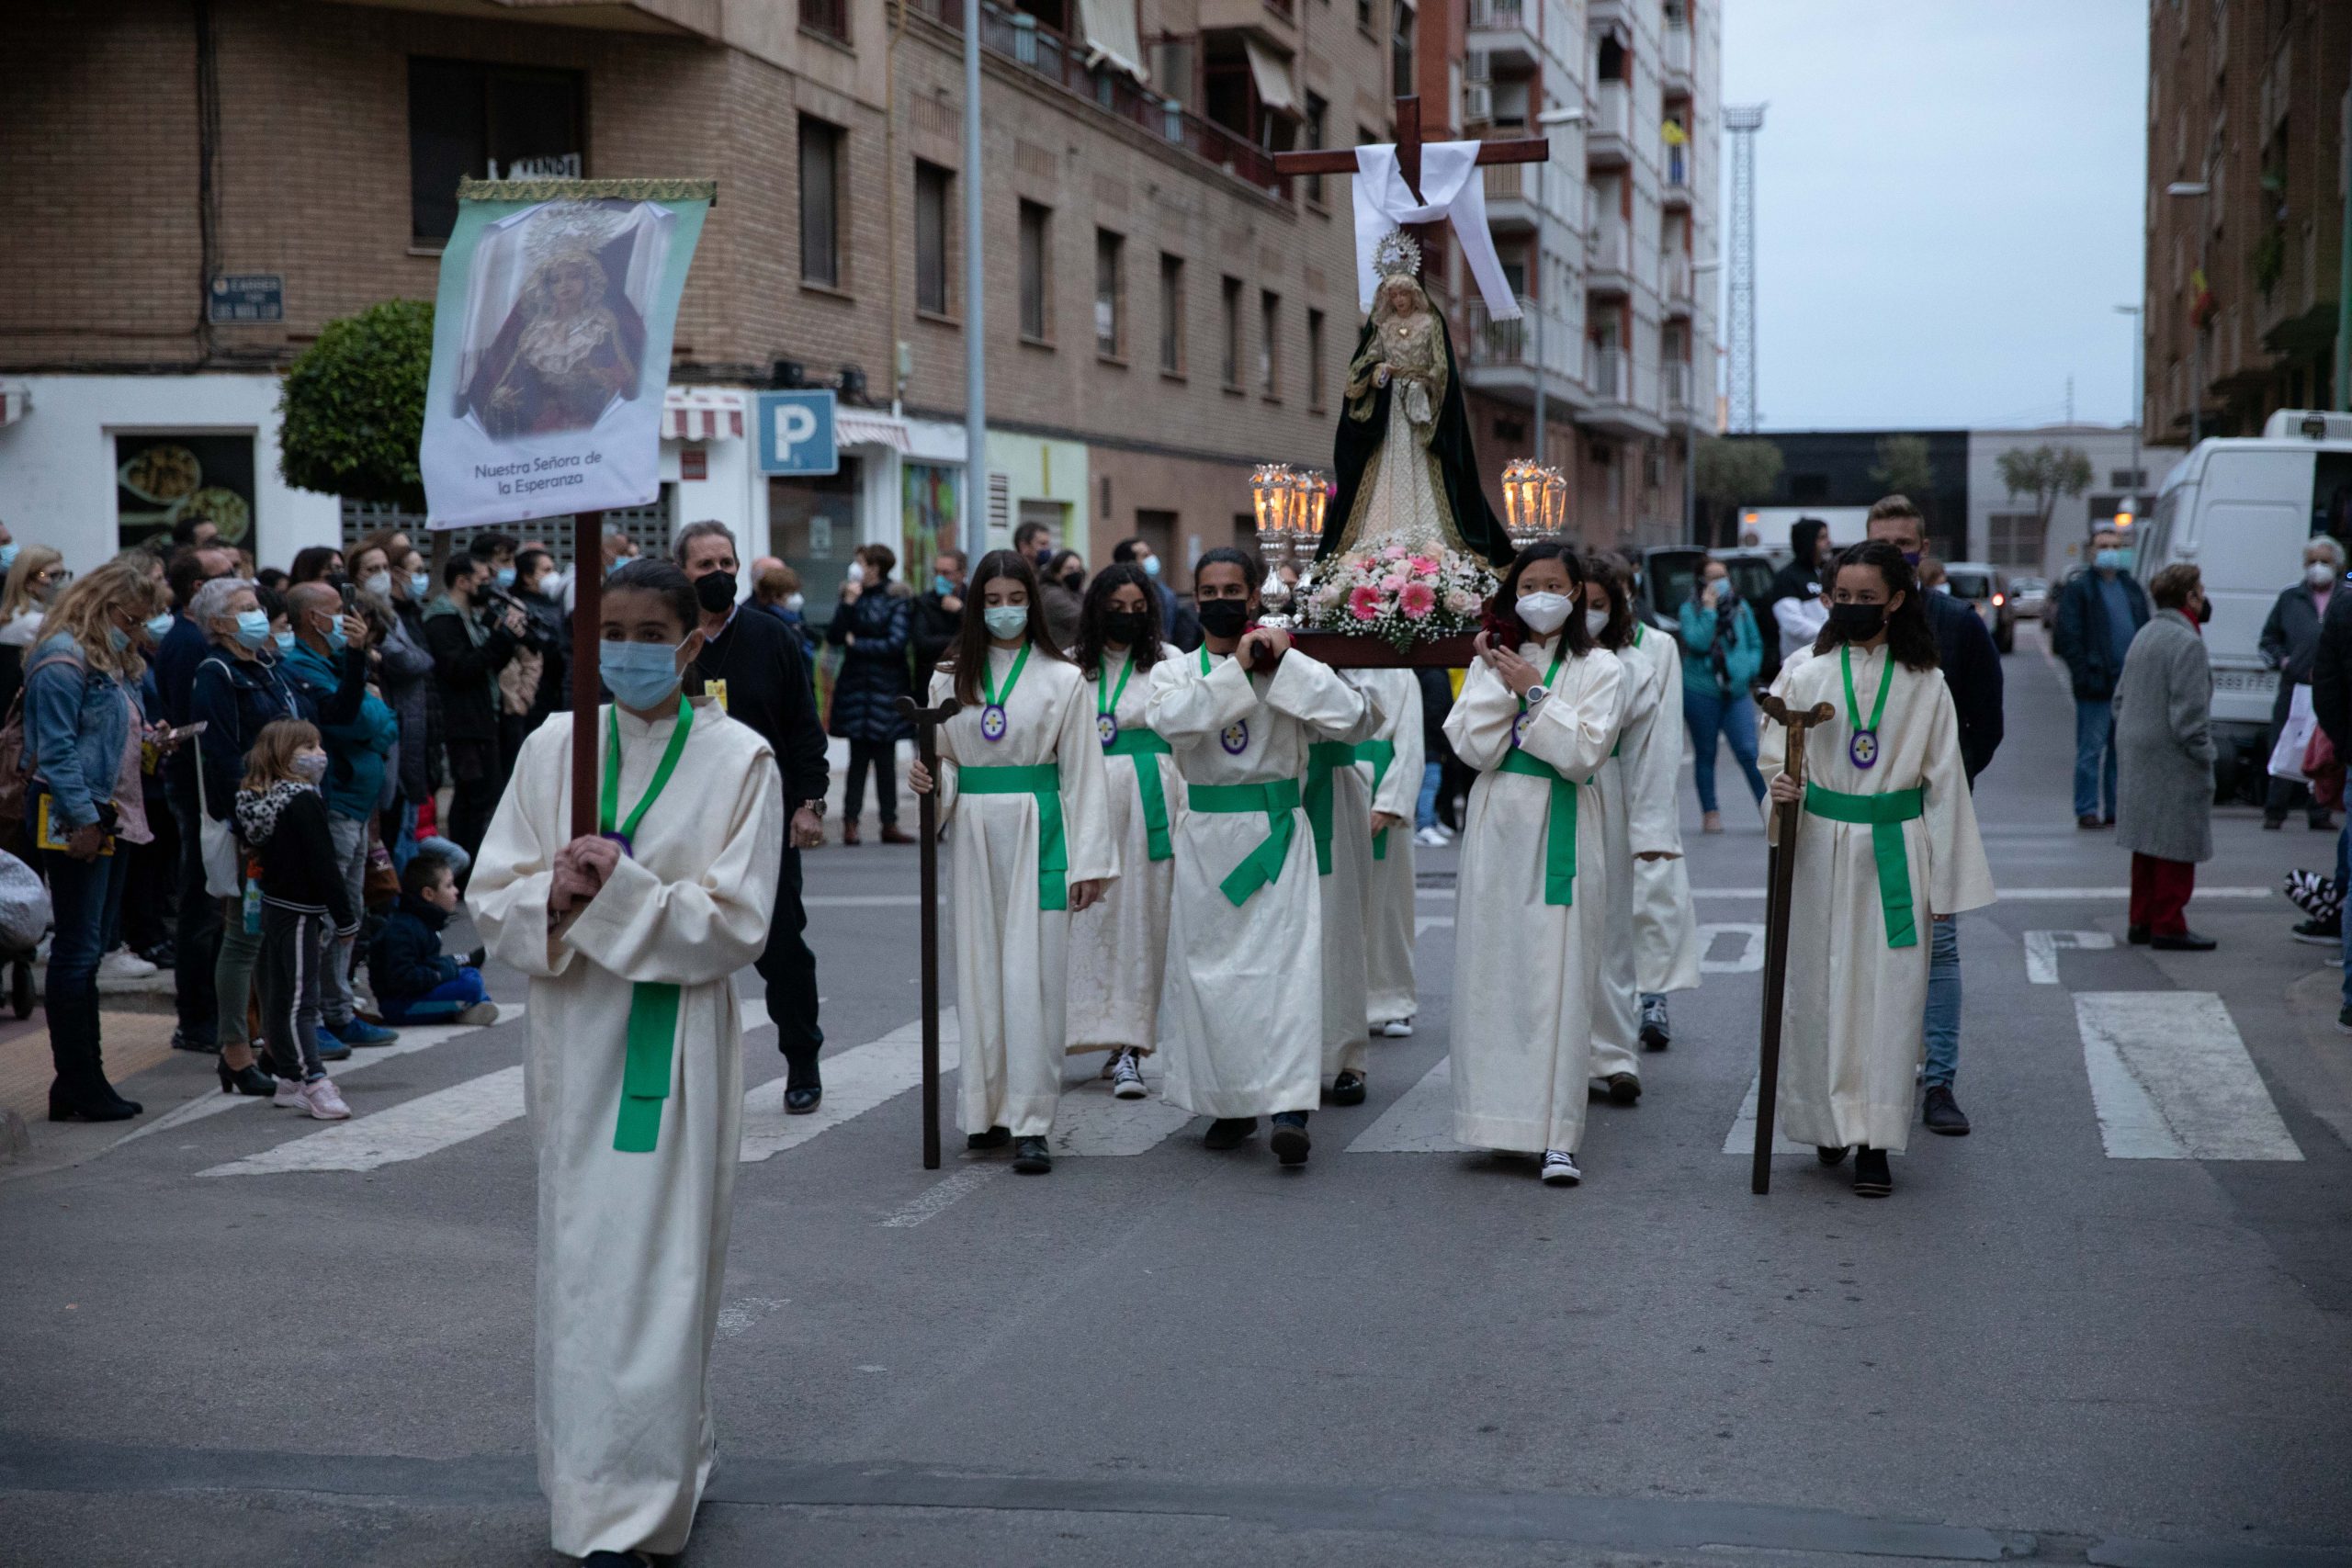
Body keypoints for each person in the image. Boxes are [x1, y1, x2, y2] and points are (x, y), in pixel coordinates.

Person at [468, 558, 783, 1567]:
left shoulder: (741, 759)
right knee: (583, 1261)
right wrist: (553, 895)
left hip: (673, 1036)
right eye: (615, 632)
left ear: (694, 642)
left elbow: (737, 923)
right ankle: (591, 1484)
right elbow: (491, 890)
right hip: (574, 1026)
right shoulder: (555, 745)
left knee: (662, 1263)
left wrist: (624, 887)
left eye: (656, 633)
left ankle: (650, 1498)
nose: (633, 651)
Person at [1760, 541, 1994, 1199]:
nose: (1854, 607)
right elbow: (1774, 752)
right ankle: (1827, 1121)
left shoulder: (1926, 682)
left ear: (1896, 600)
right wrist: (1780, 790)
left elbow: (1945, 781)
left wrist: (1947, 881)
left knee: (1889, 997)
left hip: (1895, 845)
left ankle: (1874, 1138)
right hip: (1820, 848)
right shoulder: (1805, 674)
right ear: (1827, 597)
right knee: (1821, 986)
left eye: (1869, 597)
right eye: (1843, 596)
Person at [1146, 547, 1374, 1167]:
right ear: (1194, 601)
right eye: (1207, 589)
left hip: (1278, 835)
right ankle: (1231, 1101)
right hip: (1206, 840)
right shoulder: (1176, 670)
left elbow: (1354, 720)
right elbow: (1174, 721)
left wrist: (1285, 664)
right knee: (1212, 976)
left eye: (1232, 588)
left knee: (1286, 972)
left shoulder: (1288, 667)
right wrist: (1239, 673)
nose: (1220, 598)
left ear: (1254, 597)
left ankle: (1291, 1106)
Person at [909, 551, 1114, 1173]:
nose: (1004, 610)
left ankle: (1031, 1119)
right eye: (992, 598)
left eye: (1014, 597)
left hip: (1039, 830)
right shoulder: (949, 679)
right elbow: (942, 759)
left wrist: (1090, 861)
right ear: (977, 605)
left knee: (1035, 978)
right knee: (978, 973)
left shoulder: (1063, 679)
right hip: (972, 831)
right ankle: (984, 1111)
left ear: (1032, 601)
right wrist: (928, 777)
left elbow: (1082, 773)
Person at [1444, 543, 1623, 1184]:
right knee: (1495, 969)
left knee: (1562, 972)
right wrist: (1497, 676)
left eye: (1554, 582)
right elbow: (1471, 745)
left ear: (1576, 592)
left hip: (1564, 821)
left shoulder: (1602, 667)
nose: (1541, 592)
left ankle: (1557, 1133)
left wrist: (1535, 691)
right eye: (1529, 583)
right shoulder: (1492, 658)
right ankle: (1496, 1118)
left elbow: (1583, 753)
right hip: (1500, 820)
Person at [675, 521, 832, 1114]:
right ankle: (681, 1071)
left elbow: (803, 730)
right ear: (682, 572)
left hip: (763, 820)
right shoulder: (669, 644)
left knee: (781, 945)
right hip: (686, 821)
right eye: (704, 565)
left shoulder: (773, 638)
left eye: (727, 562)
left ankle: (802, 1059)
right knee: (682, 942)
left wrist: (810, 804)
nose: (718, 574)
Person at [1865, 495, 2004, 1136]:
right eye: (1881, 542)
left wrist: (1949, 776)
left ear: (1923, 548)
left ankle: (1940, 1079)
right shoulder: (1848, 623)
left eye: (1905, 543)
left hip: (1935, 811)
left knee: (1939, 944)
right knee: (1864, 941)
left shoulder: (1959, 623)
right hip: (1861, 818)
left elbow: (1986, 721)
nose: (1895, 553)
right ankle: (1870, 1071)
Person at [23, 559, 171, 1121]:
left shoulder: (110, 660)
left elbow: (110, 735)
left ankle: (86, 1080)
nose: (136, 632)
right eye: (131, 619)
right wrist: (83, 819)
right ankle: (77, 1081)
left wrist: (153, 740)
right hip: (78, 815)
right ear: (104, 605)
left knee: (89, 950)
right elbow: (55, 751)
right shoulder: (61, 658)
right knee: (78, 951)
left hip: (112, 813)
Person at [1063, 564, 1182, 1098]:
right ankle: (1094, 1032)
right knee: (1092, 925)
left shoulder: (1170, 663)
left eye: (1139, 608)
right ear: (1096, 609)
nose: (1128, 617)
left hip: (1150, 802)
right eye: (1118, 608)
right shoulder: (1070, 670)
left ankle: (1132, 1047)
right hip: (1088, 804)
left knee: (1144, 921)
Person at [188, 576, 303, 1087]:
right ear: (217, 624)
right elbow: (221, 757)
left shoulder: (269, 668)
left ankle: (276, 1043)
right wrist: (249, 821)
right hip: (252, 823)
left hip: (289, 815)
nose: (259, 614)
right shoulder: (216, 673)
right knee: (243, 935)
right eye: (245, 608)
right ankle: (234, 1050)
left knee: (277, 936)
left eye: (257, 605)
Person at [277, 581, 399, 1047]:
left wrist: (374, 711)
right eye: (336, 610)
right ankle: (315, 1019)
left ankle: (340, 1011)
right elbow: (357, 721)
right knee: (329, 918)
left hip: (357, 807)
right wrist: (372, 708)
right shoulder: (304, 666)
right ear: (313, 618)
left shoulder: (336, 662)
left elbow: (384, 724)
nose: (347, 617)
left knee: (351, 914)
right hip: (336, 806)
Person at [1577, 555, 1669, 1105]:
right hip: (1543, 795)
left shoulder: (1633, 666)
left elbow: (1649, 756)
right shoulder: (1539, 660)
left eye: (1598, 605)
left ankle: (1614, 1052)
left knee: (1610, 928)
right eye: (1578, 603)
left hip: (1604, 792)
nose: (1586, 614)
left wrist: (1650, 830)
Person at [234, 718, 357, 1120]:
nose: (319, 755)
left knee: (280, 994)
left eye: (319, 745)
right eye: (308, 747)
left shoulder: (257, 800)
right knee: (302, 1002)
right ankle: (314, 1081)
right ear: (284, 756)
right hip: (302, 911)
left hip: (273, 906)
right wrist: (345, 919)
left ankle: (288, 1076)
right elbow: (324, 866)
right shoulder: (303, 800)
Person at [155, 543, 236, 1052]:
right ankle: (197, 1016)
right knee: (201, 904)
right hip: (198, 791)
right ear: (198, 590)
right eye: (225, 576)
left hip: (205, 788)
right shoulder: (188, 644)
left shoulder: (198, 639)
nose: (237, 581)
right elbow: (194, 724)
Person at [2115, 564, 2219, 952]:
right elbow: (2190, 718)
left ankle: (2140, 920)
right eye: (2200, 590)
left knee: (2147, 845)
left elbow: (2120, 699)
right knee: (2176, 846)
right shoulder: (2187, 642)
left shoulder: (2146, 633)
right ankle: (2169, 924)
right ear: (2189, 598)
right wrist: (2207, 754)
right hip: (2173, 759)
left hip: (2138, 753)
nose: (2204, 598)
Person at [422, 554, 526, 865]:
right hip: (463, 724)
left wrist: (508, 637)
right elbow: (462, 668)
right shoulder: (443, 620)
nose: (489, 587)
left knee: (485, 795)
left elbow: (487, 665)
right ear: (462, 581)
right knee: (473, 796)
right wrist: (500, 638)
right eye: (483, 581)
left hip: (481, 718)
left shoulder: (469, 617)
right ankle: (467, 866)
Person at [2052, 527, 2150, 829]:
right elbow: (2067, 637)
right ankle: (2087, 809)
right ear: (2092, 551)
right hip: (2095, 685)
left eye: (2115, 545)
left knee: (2121, 752)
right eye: (2103, 545)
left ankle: (2116, 809)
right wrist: (2084, 673)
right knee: (2091, 751)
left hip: (2127, 684)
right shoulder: (2081, 589)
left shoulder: (2131, 588)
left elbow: (2144, 628)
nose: (2110, 550)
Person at [826, 542, 915, 845]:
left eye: (861, 562)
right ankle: (850, 822)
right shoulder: (852, 595)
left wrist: (857, 644)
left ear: (875, 567)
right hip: (855, 688)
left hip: (887, 689)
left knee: (886, 760)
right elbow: (835, 635)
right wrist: (848, 604)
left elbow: (895, 643)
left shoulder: (897, 599)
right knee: (858, 759)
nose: (857, 568)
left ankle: (889, 822)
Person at [1351, 667, 1423, 1039]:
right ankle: (1342, 999)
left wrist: (1389, 804)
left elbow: (1411, 744)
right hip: (1335, 782)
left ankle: (1392, 1000)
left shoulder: (1398, 674)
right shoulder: (1321, 665)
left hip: (1379, 785)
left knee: (1388, 904)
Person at [2258, 536, 2344, 829]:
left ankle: (2319, 810)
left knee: (2325, 748)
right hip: (2294, 687)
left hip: (2331, 689)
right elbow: (2268, 640)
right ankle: (2274, 810)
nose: (2318, 567)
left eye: (2325, 561)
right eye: (2312, 561)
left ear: (2337, 565)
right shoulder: (2290, 598)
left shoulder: (2344, 597)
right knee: (2284, 744)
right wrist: (2287, 663)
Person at [1678, 557, 1767, 831]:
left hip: (1737, 691)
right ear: (1701, 582)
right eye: (1714, 577)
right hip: (1701, 690)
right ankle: (1710, 812)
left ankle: (1768, 809)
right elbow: (1698, 642)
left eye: (1723, 575)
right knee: (1706, 753)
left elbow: (1755, 643)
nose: (1721, 582)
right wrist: (1708, 610)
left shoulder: (1741, 608)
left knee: (1749, 752)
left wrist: (1747, 668)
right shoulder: (1689, 610)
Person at [368, 851, 498, 1025]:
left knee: (470, 974)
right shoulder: (403, 930)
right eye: (449, 885)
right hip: (400, 1007)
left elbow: (426, 965)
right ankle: (467, 1008)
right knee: (470, 985)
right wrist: (442, 973)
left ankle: (471, 1007)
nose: (456, 891)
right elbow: (403, 978)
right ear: (428, 894)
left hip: (414, 996)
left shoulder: (422, 922)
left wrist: (442, 969)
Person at [1765, 518, 1833, 673]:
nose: (1829, 542)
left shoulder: (1825, 574)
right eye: (1822, 537)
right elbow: (1792, 623)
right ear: (1808, 541)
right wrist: (1833, 635)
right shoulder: (1787, 577)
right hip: (1799, 667)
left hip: (1828, 663)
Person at [1110, 536, 1201, 649]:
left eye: (1150, 553)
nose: (1152, 558)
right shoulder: (1113, 593)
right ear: (1130, 563)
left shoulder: (1166, 593)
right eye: (1145, 555)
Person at [1411, 666, 1454, 847]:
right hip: (1431, 740)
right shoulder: (1437, 677)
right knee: (1430, 782)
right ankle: (1425, 825)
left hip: (1424, 737)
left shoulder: (1426, 674)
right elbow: (1436, 713)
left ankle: (1430, 820)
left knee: (1428, 782)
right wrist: (1446, 742)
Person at [911, 548, 967, 678]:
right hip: (931, 677)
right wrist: (961, 641)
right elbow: (922, 644)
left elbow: (981, 634)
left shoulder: (974, 599)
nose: (939, 578)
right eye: (936, 572)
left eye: (946, 573)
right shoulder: (924, 602)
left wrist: (961, 611)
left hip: (965, 676)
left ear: (962, 574)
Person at [1039, 549, 1087, 649]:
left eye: (1078, 569)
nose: (1075, 573)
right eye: (1070, 569)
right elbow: (1083, 620)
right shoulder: (1052, 595)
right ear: (1056, 573)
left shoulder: (1076, 592)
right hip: (1060, 654)